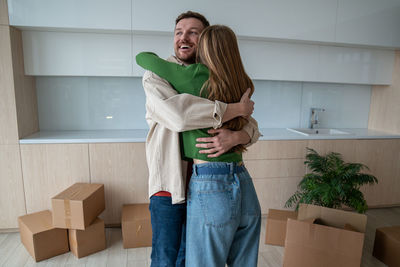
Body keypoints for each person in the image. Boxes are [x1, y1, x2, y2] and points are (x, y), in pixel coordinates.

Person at [140, 11, 261, 267]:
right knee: (166, 257)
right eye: (178, 32)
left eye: (193, 32)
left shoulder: (215, 77)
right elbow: (179, 116)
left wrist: (236, 135)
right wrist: (236, 109)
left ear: (204, 40)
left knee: (191, 258)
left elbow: (252, 125)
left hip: (206, 181)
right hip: (170, 185)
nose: (184, 37)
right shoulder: (157, 76)